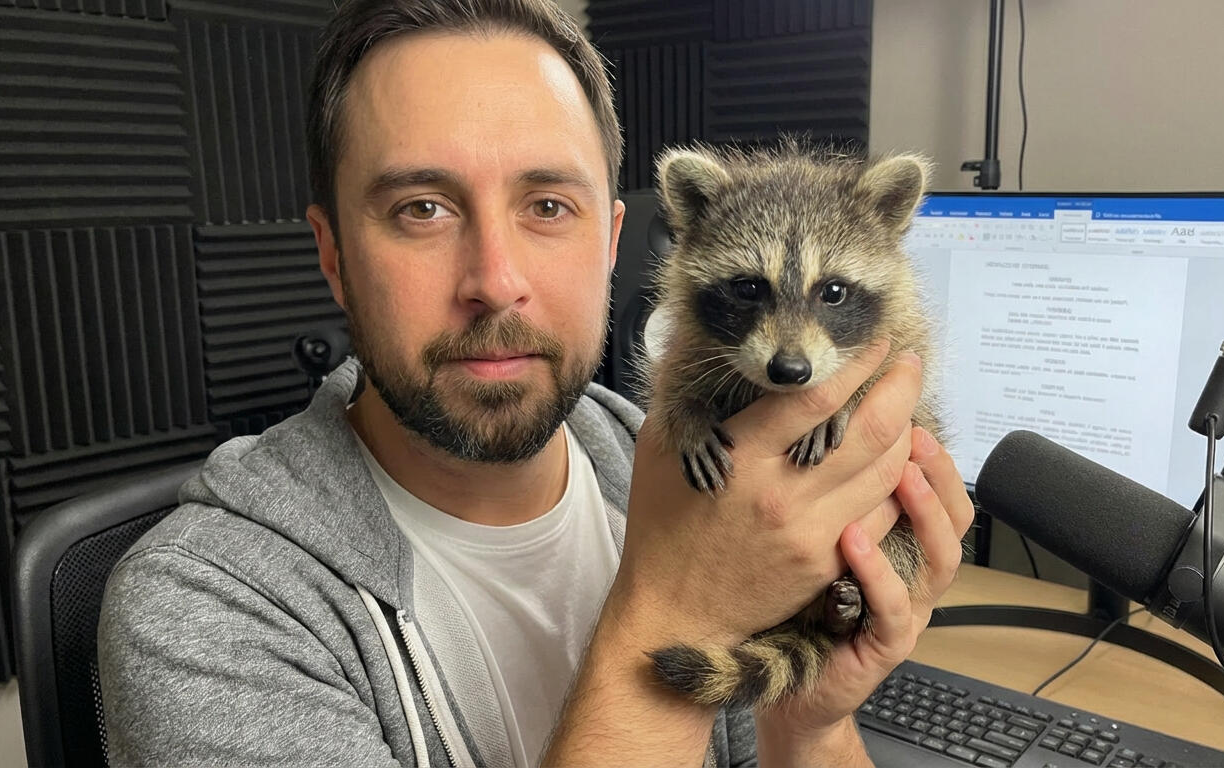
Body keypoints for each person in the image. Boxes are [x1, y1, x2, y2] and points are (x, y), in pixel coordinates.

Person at [96, 1, 974, 766]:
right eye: (422, 209)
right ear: (332, 256)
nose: (496, 280)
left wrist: (809, 725)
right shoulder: (205, 609)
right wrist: (676, 611)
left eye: (548, 206)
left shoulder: (665, 466)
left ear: (612, 242)